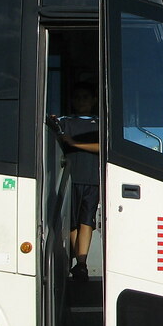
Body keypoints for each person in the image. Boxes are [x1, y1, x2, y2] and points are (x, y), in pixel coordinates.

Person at [47, 82, 100, 282]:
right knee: (72, 223)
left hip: (92, 179)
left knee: (87, 221)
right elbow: (51, 127)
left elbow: (103, 146)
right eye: (77, 98)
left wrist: (76, 144)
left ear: (94, 100)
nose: (81, 101)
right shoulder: (65, 122)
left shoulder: (101, 122)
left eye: (85, 97)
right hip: (69, 178)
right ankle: (79, 262)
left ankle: (82, 263)